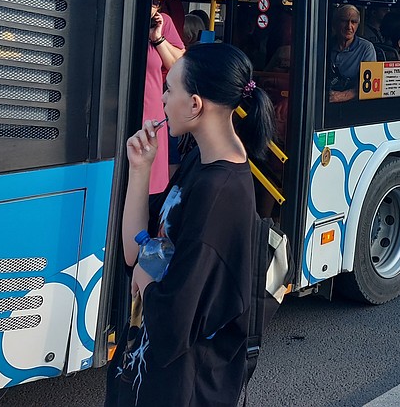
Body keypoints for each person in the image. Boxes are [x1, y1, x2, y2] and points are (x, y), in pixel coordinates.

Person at [107, 43, 274, 407]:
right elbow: (136, 250)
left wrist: (148, 283)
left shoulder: (220, 193)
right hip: (145, 374)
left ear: (195, 104)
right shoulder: (201, 158)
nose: (163, 99)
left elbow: (176, 320)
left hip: (179, 389)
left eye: (169, 89)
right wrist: (141, 169)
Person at [146, 0, 185, 195]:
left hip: (153, 108)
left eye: (157, 3)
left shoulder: (164, 22)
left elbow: (177, 63)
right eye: (150, 0)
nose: (152, 7)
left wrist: (158, 38)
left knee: (152, 184)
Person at [328, 4, 376, 103]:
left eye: (353, 22)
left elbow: (369, 87)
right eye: (344, 21)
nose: (349, 27)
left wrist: (341, 96)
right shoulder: (325, 45)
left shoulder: (366, 48)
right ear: (335, 24)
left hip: (352, 106)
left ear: (358, 25)